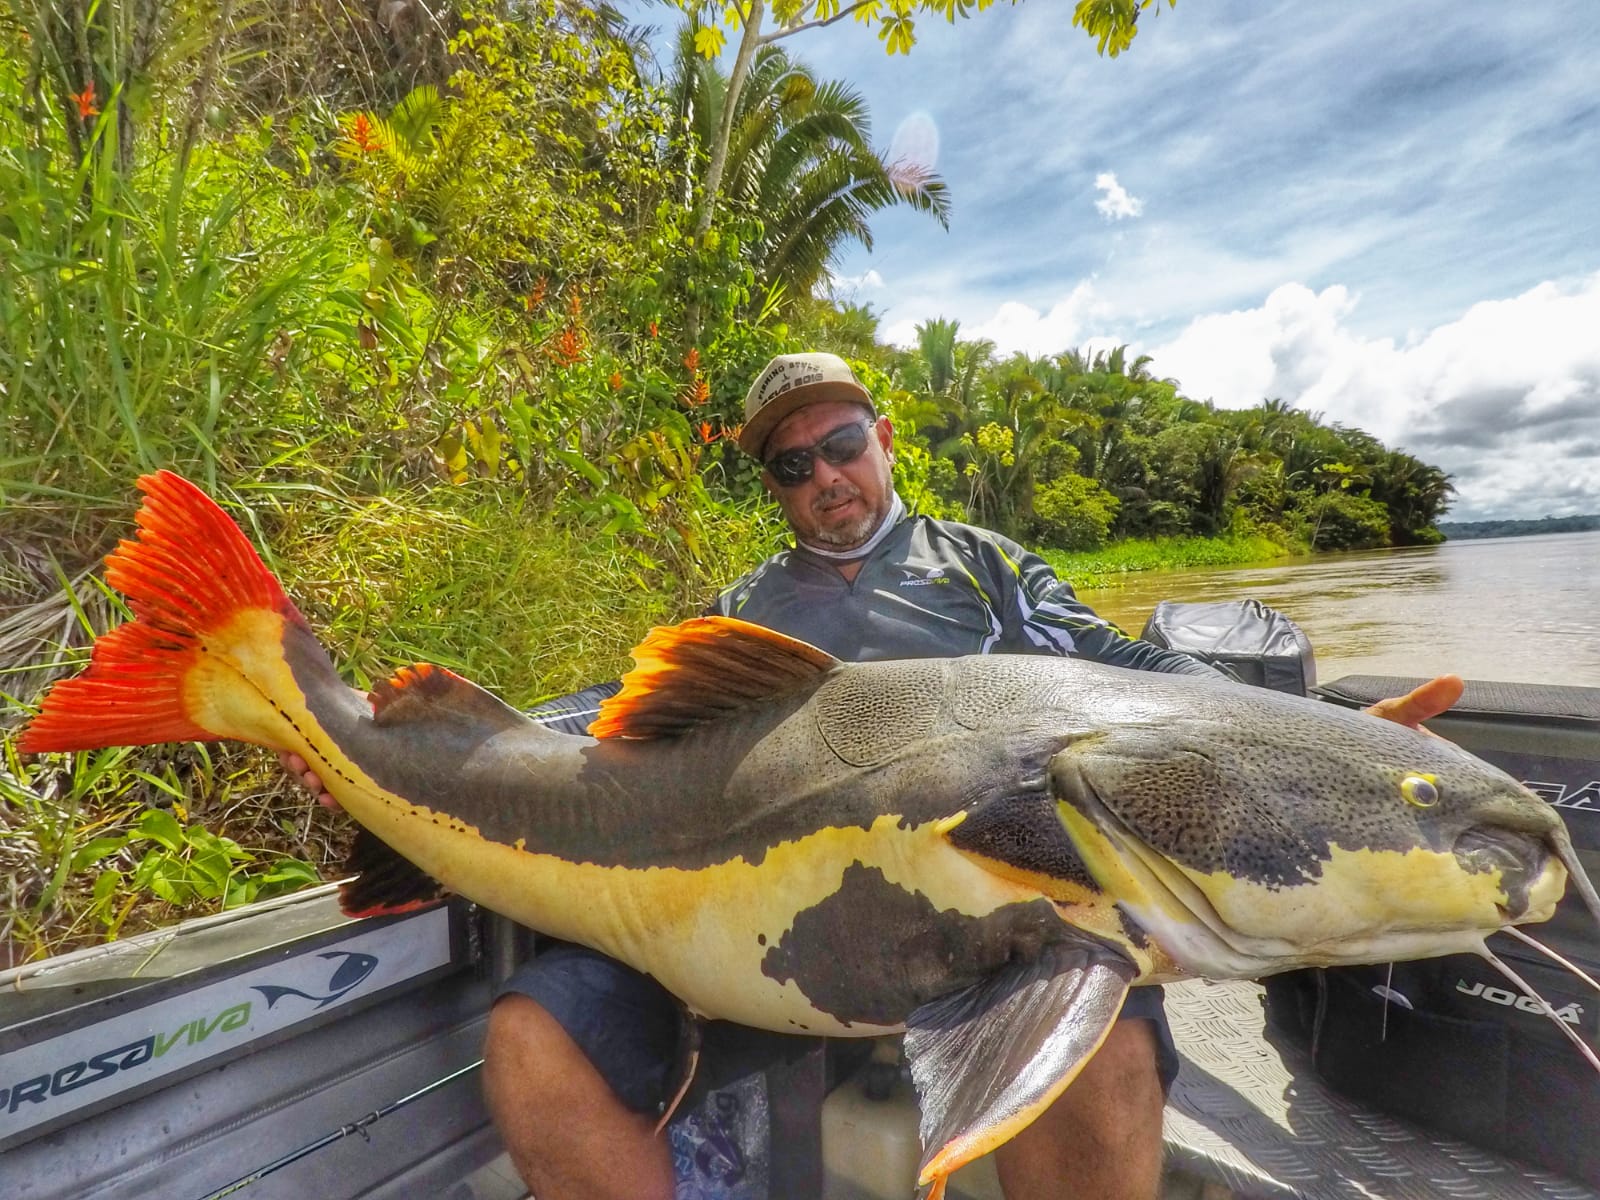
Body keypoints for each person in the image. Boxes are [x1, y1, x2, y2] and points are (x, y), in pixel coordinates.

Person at [282, 351, 1463, 1200]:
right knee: (534, 1041)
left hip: (1010, 926)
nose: (823, 478)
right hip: (751, 947)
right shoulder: (740, 610)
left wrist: (1321, 735)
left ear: (883, 439)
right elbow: (629, 732)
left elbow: (1137, 681)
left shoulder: (986, 570)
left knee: (1106, 1047)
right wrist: (421, 751)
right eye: (790, 465)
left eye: (840, 445)